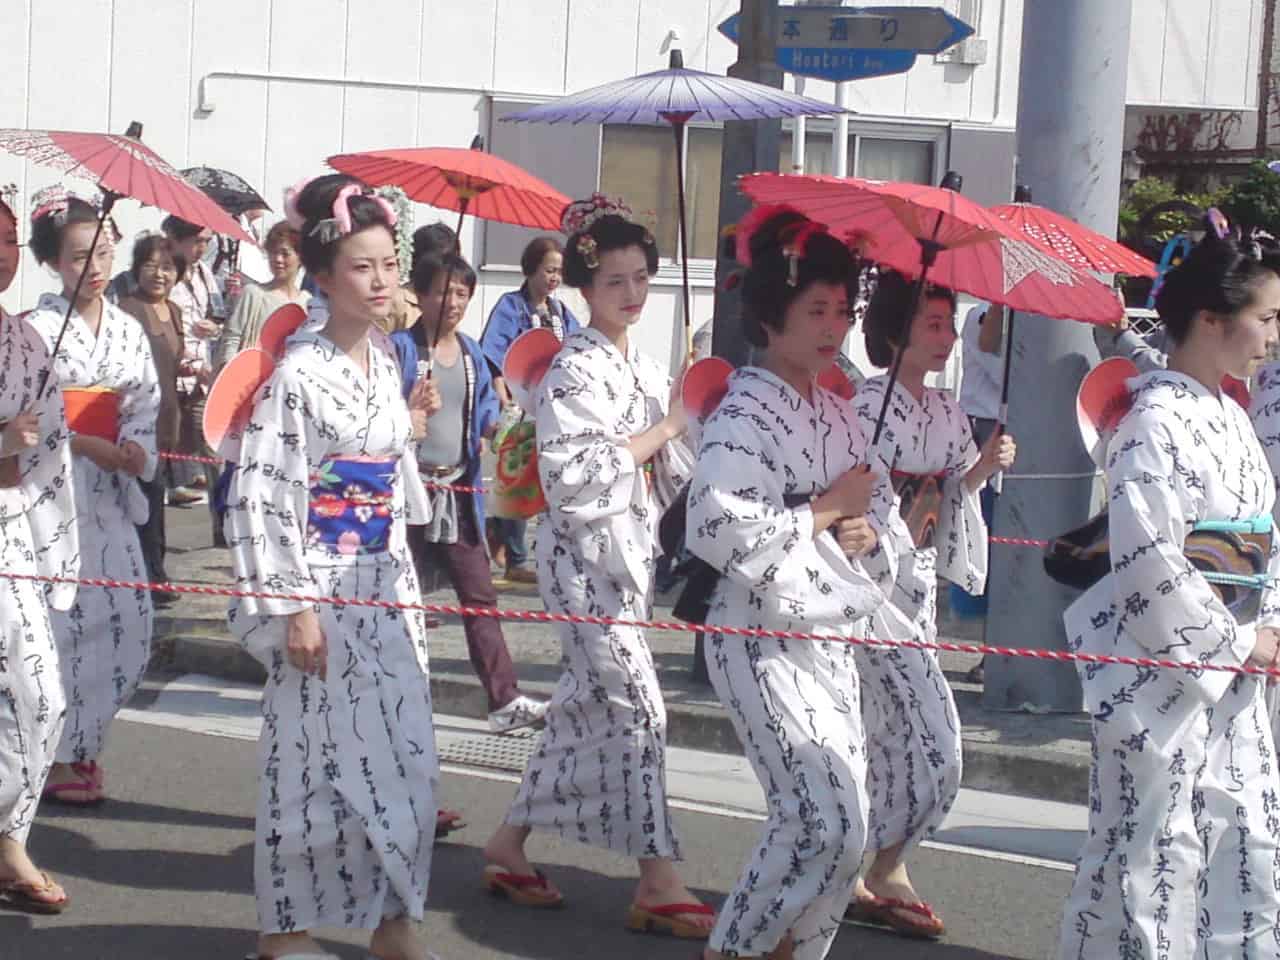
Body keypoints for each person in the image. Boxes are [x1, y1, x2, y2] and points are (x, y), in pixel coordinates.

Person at [223, 174, 441, 960]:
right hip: (319, 577)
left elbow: (386, 471)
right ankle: (283, 932)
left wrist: (409, 430)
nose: (382, 280)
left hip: (384, 581)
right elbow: (264, 494)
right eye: (362, 266)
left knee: (407, 759)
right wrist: (295, 606)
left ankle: (394, 923)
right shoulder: (297, 373)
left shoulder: (385, 359)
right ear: (322, 277)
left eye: (389, 264)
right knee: (311, 765)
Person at [686, 206, 910, 960]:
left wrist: (863, 531)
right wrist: (821, 512)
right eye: (815, 310)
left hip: (827, 636)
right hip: (759, 634)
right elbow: (716, 524)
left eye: (842, 311)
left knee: (847, 833)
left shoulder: (837, 410)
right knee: (818, 818)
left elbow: (872, 514)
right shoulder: (744, 407)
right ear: (771, 317)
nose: (833, 327)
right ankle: (734, 948)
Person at [482, 195, 706, 937]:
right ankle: (657, 876)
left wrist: (684, 417)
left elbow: (669, 465)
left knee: (583, 708)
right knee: (641, 708)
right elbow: (575, 477)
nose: (633, 294)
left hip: (626, 554)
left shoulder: (640, 364)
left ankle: (509, 845)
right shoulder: (573, 368)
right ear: (586, 288)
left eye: (642, 278)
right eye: (616, 282)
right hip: (582, 559)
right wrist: (667, 425)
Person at [1058, 224, 1280, 959]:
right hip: (1166, 675)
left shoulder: (1230, 416)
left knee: (1244, 843)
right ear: (1212, 321)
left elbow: (1264, 543)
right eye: (1268, 318)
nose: (1274, 335)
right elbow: (1151, 561)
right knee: (1152, 860)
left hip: (1233, 670)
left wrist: (1264, 630)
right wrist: (1242, 639)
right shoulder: (1153, 420)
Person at [849, 274, 1016, 939]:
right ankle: (872, 867)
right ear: (896, 332)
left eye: (950, 326)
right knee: (932, 739)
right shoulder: (866, 406)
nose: (948, 339)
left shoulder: (946, 411)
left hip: (915, 592)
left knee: (888, 737)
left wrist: (980, 470)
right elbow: (861, 504)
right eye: (934, 325)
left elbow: (953, 496)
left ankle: (874, 867)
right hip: (867, 592)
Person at [25, 191, 160, 806]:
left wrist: (133, 446)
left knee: (128, 622)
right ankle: (55, 754)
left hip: (110, 491)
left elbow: (144, 405)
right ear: (53, 261)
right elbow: (22, 418)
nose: (96, 266)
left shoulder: (129, 328)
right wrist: (79, 441)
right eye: (80, 256)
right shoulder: (34, 331)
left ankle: (83, 744)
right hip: (53, 492)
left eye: (104, 251)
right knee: (60, 626)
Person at [391, 252, 548, 734]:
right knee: (400, 600)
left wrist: (504, 425)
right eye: (442, 290)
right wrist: (408, 408)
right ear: (419, 293)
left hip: (458, 491)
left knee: (480, 597)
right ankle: (396, 698)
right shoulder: (398, 349)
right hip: (410, 493)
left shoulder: (472, 353)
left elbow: (483, 419)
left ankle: (504, 700)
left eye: (462, 293)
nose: (453, 301)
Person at [0, 190, 78, 913]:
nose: (1, 251)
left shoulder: (25, 342)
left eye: (9, 239)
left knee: (43, 696)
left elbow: (49, 452)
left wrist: (59, 550)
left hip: (12, 535)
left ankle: (8, 838)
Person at [479, 237, 580, 583]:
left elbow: (577, 348)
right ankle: (517, 558)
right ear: (532, 269)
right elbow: (492, 354)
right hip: (519, 405)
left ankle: (506, 534)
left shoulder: (560, 312)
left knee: (545, 478)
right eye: (549, 270)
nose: (554, 278)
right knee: (519, 478)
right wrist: (501, 392)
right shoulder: (510, 307)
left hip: (551, 407)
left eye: (559, 272)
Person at [118, 234, 187, 608]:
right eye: (151, 265)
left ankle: (151, 572)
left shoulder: (174, 311)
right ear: (136, 267)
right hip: (138, 421)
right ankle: (152, 577)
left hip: (168, 419)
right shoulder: (127, 309)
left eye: (168, 267)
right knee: (145, 502)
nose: (159, 274)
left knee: (155, 500)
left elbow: (170, 364)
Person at [953, 301, 1006, 678]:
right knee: (984, 539)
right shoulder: (979, 316)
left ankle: (998, 649)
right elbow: (1007, 372)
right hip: (982, 432)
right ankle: (991, 650)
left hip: (1007, 434)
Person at [164, 215, 222, 523]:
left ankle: (221, 519)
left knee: (210, 444)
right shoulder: (163, 272)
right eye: (197, 241)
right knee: (166, 443)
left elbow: (218, 311)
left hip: (201, 372)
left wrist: (213, 324)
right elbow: (160, 327)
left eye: (207, 242)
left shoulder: (204, 274)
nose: (201, 248)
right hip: (173, 372)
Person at [214, 219, 310, 369]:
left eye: (285, 254)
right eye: (273, 253)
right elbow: (231, 339)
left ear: (300, 258)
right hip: (249, 378)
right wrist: (229, 375)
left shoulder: (307, 303)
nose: (278, 259)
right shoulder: (253, 293)